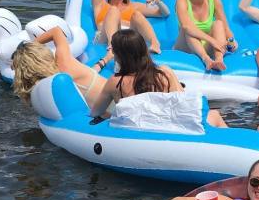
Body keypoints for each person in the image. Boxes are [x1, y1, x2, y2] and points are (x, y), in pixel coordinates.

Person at [89, 28, 226, 127]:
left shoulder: (115, 81)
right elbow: (182, 103)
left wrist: (113, 115)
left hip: (140, 133)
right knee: (214, 115)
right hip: (170, 127)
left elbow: (96, 112)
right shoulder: (164, 72)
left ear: (119, 55)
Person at [12, 27, 108, 109]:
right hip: (115, 99)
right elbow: (56, 31)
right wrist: (30, 45)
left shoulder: (43, 87)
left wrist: (20, 59)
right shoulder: (63, 62)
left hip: (100, 108)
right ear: (42, 53)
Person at [174, 0, 237, 72]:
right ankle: (206, 59)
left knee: (218, 24)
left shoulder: (214, 0)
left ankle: (218, 60)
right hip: (186, 47)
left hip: (205, 46)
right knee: (189, 29)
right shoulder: (182, 0)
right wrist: (212, 40)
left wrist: (232, 41)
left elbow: (226, 29)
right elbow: (186, 26)